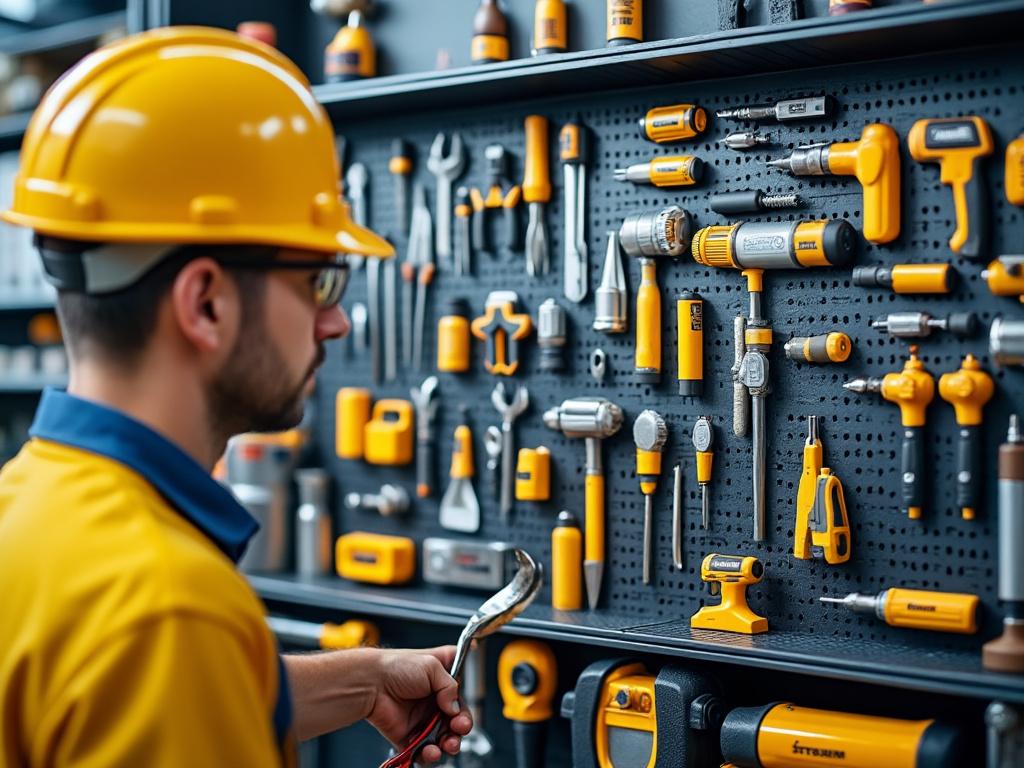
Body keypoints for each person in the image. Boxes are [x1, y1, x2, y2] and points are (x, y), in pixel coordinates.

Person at [0, 26, 471, 767]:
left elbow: (138, 691)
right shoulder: (168, 608)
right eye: (317, 280)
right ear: (207, 305)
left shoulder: (29, 508)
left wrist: (359, 681)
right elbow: (167, 657)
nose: (336, 319)